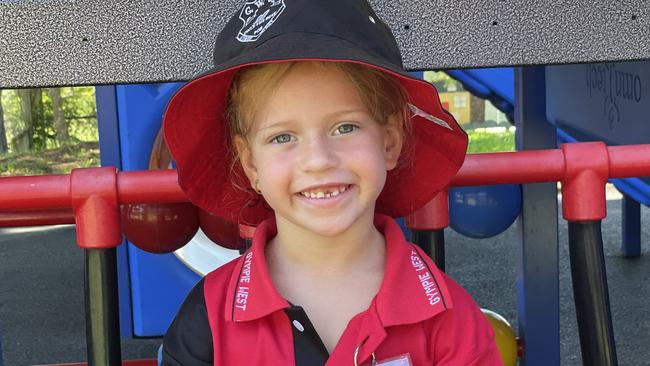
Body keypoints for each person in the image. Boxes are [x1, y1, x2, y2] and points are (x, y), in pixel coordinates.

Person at [161, 0, 502, 365]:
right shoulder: (208, 321)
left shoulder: (448, 319)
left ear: (389, 143)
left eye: (345, 127)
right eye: (282, 137)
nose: (319, 160)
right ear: (251, 164)